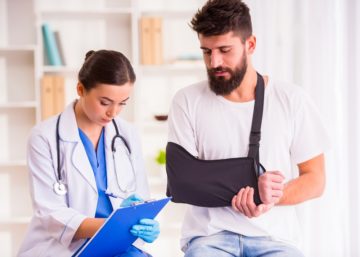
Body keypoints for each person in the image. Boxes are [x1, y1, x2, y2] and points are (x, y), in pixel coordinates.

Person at [167, 0, 330, 256]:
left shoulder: (291, 99)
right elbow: (183, 183)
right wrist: (250, 189)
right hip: (210, 238)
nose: (214, 62)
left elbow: (316, 179)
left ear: (250, 44)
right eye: (207, 51)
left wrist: (271, 197)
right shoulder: (187, 100)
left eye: (224, 49)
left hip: (274, 238)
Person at [18, 50, 159, 257]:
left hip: (116, 245)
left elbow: (140, 197)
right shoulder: (44, 137)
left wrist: (143, 222)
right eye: (104, 102)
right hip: (62, 249)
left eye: (122, 103)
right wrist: (111, 225)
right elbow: (51, 214)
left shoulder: (127, 134)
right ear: (81, 89)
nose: (113, 113)